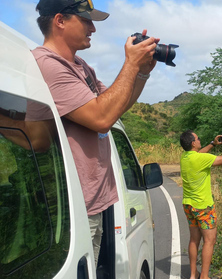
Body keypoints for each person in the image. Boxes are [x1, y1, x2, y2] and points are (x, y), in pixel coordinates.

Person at [32, 0, 159, 265]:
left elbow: (115, 108)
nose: (93, 28)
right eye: (86, 20)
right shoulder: (50, 66)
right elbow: (101, 118)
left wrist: (141, 73)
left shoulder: (80, 65)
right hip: (78, 210)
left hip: (95, 203)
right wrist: (130, 63)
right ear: (60, 21)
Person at [180, 131, 222, 279]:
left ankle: (193, 274)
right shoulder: (201, 159)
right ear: (193, 143)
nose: (199, 140)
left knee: (194, 240)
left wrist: (212, 143)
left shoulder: (185, 157)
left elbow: (199, 153)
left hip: (189, 205)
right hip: (203, 206)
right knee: (209, 241)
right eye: (198, 139)